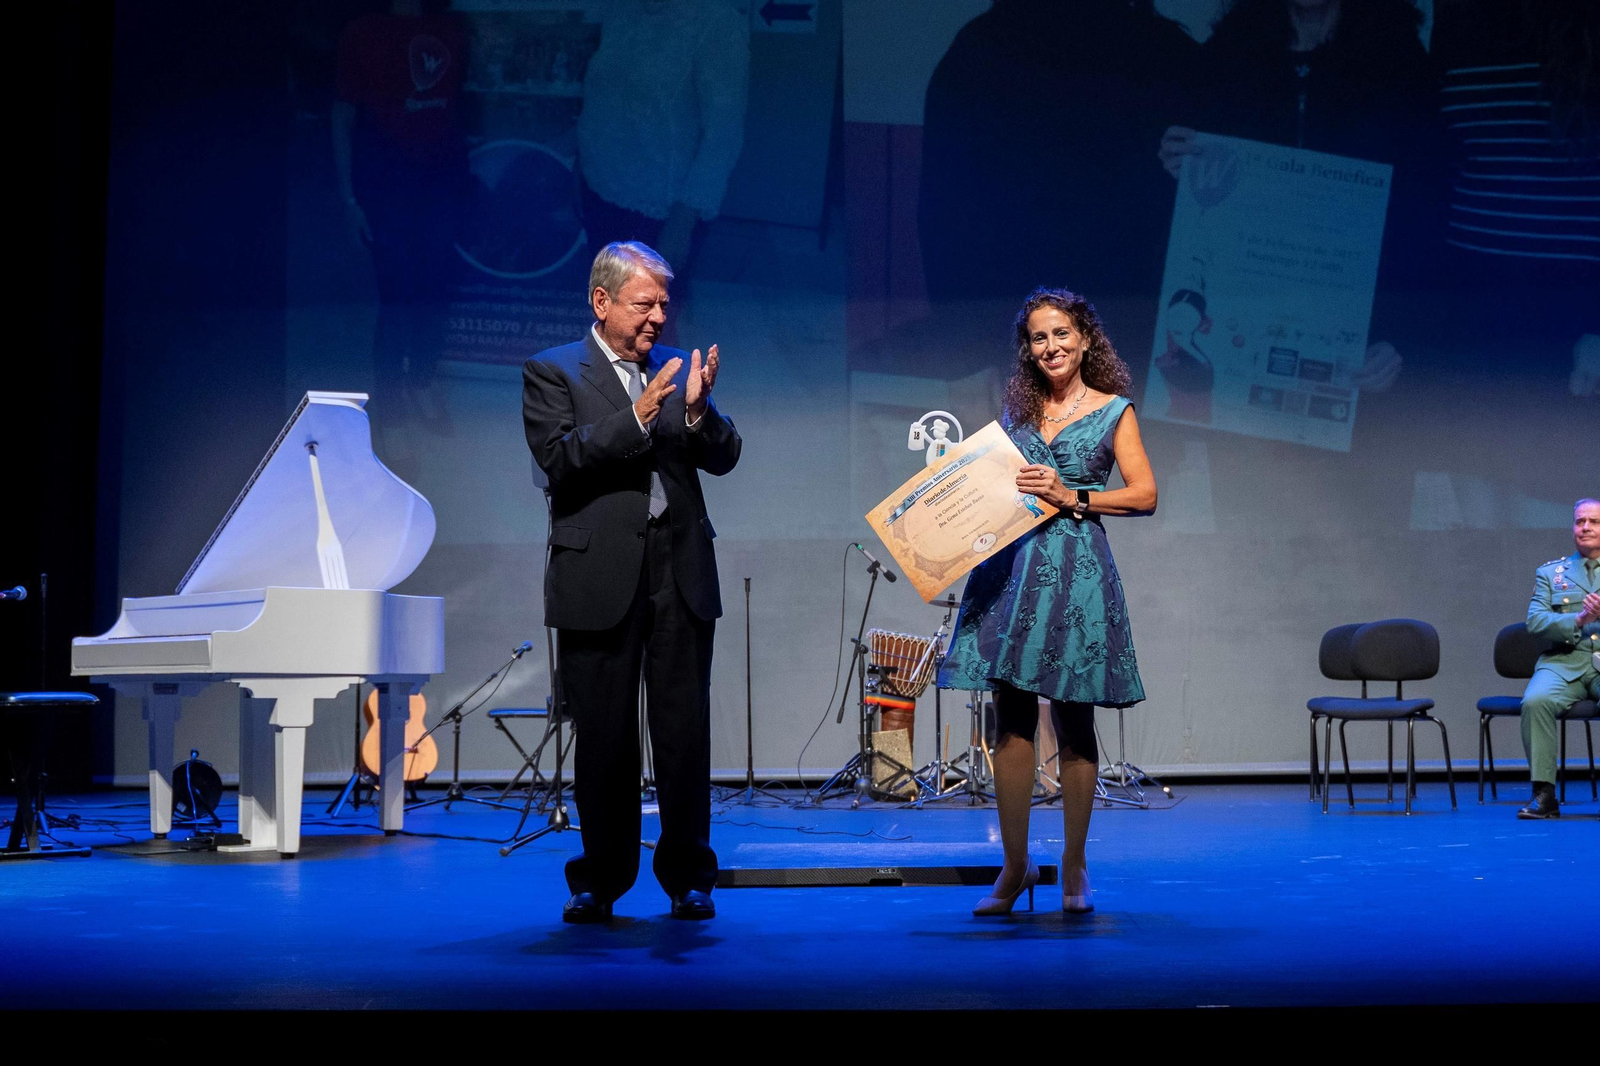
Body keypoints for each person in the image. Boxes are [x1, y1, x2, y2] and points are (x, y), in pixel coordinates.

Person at [521, 241, 741, 922]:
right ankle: (600, 880)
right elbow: (560, 458)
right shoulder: (553, 370)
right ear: (602, 301)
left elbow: (726, 457)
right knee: (605, 738)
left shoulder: (677, 371)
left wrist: (699, 415)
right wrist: (640, 415)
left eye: (663, 306)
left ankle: (688, 878)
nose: (656, 319)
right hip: (598, 576)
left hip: (678, 572)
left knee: (683, 732)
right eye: (644, 305)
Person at [938, 288, 1157, 916]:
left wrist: (1073, 496)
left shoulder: (1115, 411)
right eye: (1038, 338)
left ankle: (1074, 861)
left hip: (1074, 569)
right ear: (1027, 350)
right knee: (1009, 716)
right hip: (1010, 568)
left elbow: (1144, 494)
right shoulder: (1018, 417)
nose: (1051, 347)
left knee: (1073, 717)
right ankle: (1014, 866)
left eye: (1061, 334)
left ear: (1085, 339)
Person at [333, 0, 470, 408]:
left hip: (441, 187)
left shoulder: (451, 27)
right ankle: (391, 403)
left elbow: (454, 111)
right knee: (396, 296)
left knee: (434, 291)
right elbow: (341, 118)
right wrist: (349, 198)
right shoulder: (361, 31)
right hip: (385, 189)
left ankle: (422, 383)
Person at [1516, 498, 1600, 820]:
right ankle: (1544, 797)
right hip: (1564, 661)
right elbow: (1535, 622)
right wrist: (1578, 619)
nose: (1586, 527)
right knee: (1536, 701)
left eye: (1593, 521)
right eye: (1580, 522)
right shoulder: (1552, 573)